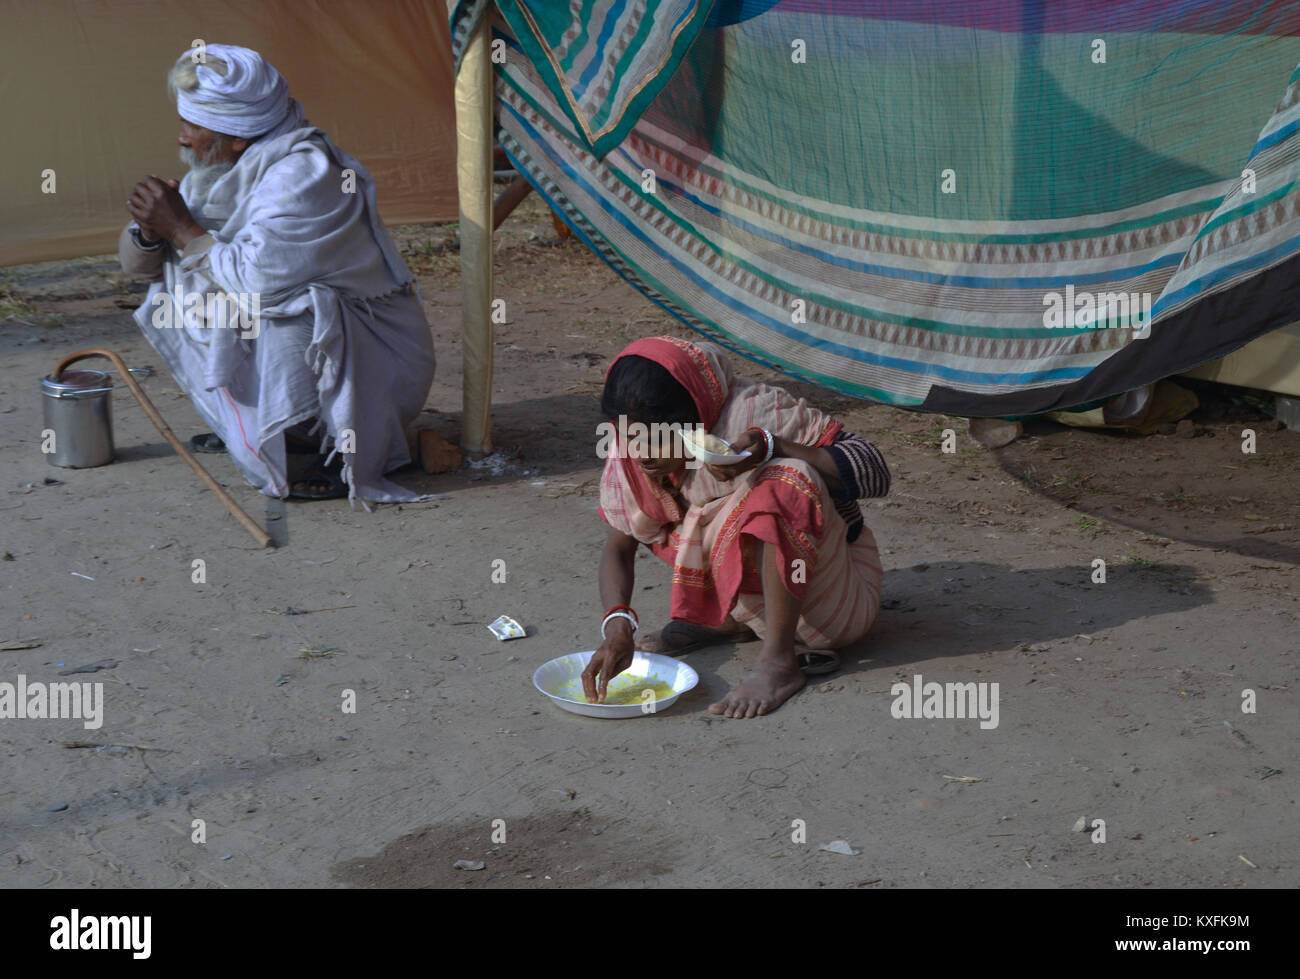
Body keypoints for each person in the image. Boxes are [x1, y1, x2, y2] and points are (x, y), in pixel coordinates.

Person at [119, 43, 435, 503]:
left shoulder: (307, 175)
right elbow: (139, 272)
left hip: (377, 365)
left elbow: (257, 284)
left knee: (287, 310)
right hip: (315, 336)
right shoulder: (217, 174)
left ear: (239, 136)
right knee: (188, 281)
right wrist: (151, 231)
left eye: (193, 126)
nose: (182, 139)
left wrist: (182, 228)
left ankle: (337, 450)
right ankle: (276, 430)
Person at [584, 336, 890, 718]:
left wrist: (772, 447)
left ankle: (779, 661)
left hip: (832, 604)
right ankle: (729, 618)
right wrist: (617, 629)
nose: (642, 453)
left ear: (697, 418)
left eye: (660, 436)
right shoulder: (628, 446)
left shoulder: (752, 414)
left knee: (785, 480)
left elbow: (876, 474)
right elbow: (619, 546)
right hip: (754, 601)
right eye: (630, 434)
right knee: (686, 522)